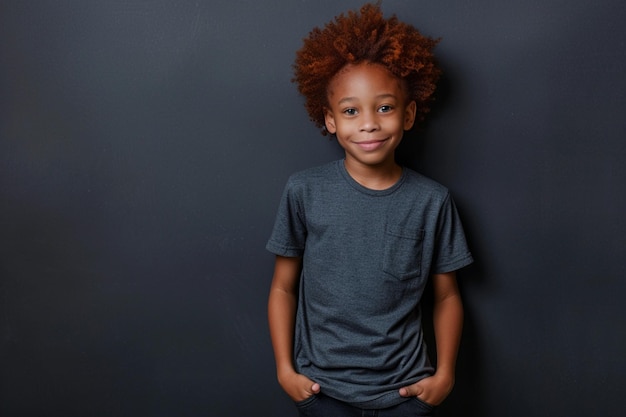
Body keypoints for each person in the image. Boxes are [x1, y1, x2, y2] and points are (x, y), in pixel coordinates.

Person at [266, 3, 473, 416]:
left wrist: (445, 374)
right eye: (350, 111)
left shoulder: (432, 201)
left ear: (408, 114)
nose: (368, 124)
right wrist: (285, 371)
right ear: (329, 120)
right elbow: (283, 287)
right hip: (321, 391)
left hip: (405, 395)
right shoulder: (304, 191)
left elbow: (447, 295)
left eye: (384, 107)